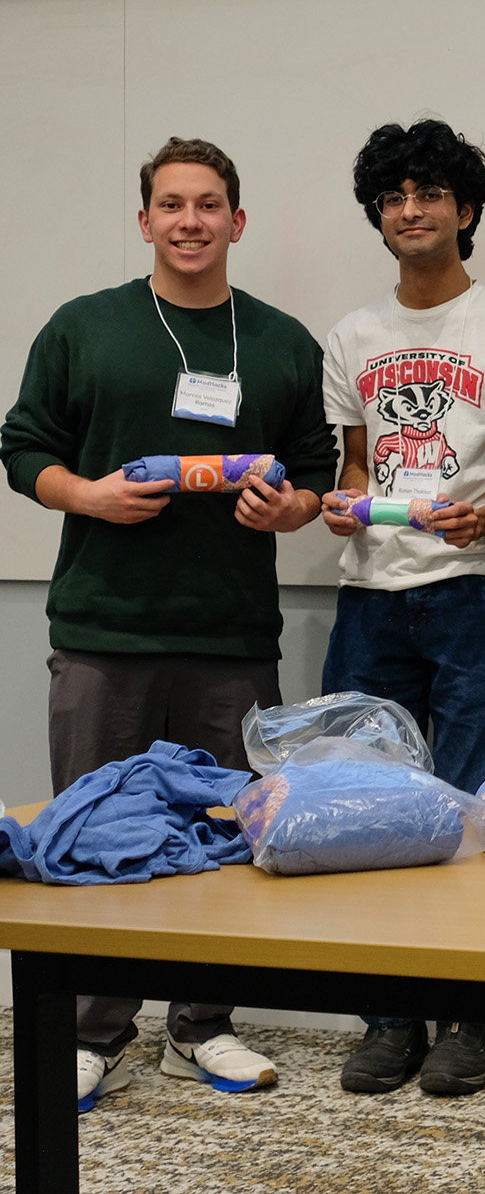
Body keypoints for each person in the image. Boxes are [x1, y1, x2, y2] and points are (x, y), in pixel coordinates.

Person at [0, 137, 338, 1109]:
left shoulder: (278, 339)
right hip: (105, 626)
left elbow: (314, 468)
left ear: (237, 220)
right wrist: (88, 497)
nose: (190, 220)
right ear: (145, 220)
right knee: (94, 835)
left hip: (232, 634)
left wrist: (293, 510)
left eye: (209, 204)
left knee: (224, 833)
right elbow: (23, 446)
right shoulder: (86, 327)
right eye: (171, 204)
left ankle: (204, 1026)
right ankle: (89, 1030)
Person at [320, 119, 485, 1097]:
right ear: (378, 214)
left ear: (463, 209)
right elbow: (358, 463)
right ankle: (387, 1017)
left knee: (471, 807)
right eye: (393, 196)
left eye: (429, 193)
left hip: (482, 587)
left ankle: (471, 1016)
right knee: (367, 809)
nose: (410, 210)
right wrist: (340, 500)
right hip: (371, 588)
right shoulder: (352, 335)